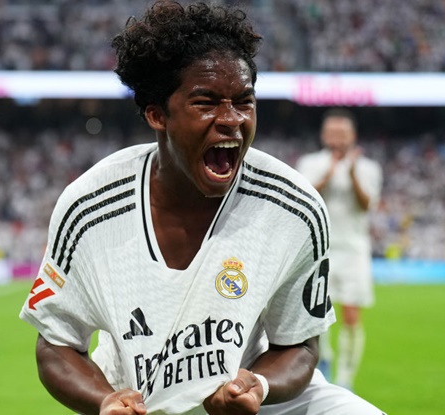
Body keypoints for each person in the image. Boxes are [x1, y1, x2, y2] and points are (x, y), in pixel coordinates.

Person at [20, 2, 385, 414]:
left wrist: (259, 385)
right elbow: (57, 345)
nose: (231, 119)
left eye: (244, 102)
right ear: (157, 114)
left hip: (258, 398)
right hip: (138, 402)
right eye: (206, 102)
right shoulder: (89, 206)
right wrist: (104, 400)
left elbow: (300, 344)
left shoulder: (294, 207)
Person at [295, 109, 383, 391]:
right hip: (319, 249)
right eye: (332, 132)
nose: (337, 138)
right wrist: (329, 173)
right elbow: (304, 198)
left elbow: (367, 205)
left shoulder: (367, 167)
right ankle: (325, 359)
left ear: (352, 135)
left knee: (352, 314)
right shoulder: (310, 163)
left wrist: (353, 173)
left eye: (342, 133)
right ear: (324, 135)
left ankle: (346, 378)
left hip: (354, 249)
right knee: (317, 313)